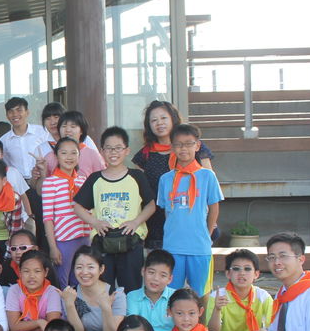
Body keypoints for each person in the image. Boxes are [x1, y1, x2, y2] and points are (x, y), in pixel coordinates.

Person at [73, 126, 155, 293]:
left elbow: (151, 205)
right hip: (103, 242)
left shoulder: (136, 176)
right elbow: (77, 206)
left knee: (132, 290)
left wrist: (135, 222)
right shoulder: (95, 179)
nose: (113, 152)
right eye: (109, 148)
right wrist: (95, 222)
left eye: (118, 148)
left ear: (127, 150)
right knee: (103, 289)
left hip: (131, 241)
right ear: (102, 151)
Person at [133, 100, 215, 249]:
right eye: (154, 120)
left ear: (173, 119)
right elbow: (141, 192)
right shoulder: (144, 154)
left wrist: (211, 220)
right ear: (148, 125)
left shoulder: (194, 146)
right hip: (157, 220)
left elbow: (209, 187)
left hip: (194, 218)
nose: (159, 123)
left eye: (164, 118)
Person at [157, 123, 222, 294]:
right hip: (173, 246)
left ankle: (201, 315)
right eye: (178, 144)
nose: (183, 148)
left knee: (201, 294)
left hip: (199, 247)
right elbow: (167, 211)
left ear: (197, 146)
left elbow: (214, 208)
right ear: (172, 147)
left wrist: (207, 234)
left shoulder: (207, 176)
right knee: (171, 294)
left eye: (188, 144)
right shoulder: (166, 179)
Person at [206, 249, 274, 331]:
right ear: (228, 274)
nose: (242, 273)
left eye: (247, 269)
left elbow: (274, 327)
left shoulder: (263, 296)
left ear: (256, 274)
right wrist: (217, 309)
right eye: (236, 269)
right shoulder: (218, 296)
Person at [6, 251, 63, 331]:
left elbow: (51, 328)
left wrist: (26, 326)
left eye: (37, 271)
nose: (31, 276)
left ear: (45, 272)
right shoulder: (14, 290)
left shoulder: (52, 292)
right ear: (19, 272)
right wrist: (39, 322)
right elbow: (14, 326)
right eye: (26, 271)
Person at [0, 97, 50, 246]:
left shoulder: (42, 132)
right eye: (11, 111)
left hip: (41, 183)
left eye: (19, 110)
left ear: (27, 112)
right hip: (19, 188)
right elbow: (6, 165)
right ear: (7, 115)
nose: (15, 114)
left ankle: (44, 254)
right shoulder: (4, 140)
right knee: (24, 224)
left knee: (44, 222)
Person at [41, 137, 90, 288]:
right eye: (64, 153)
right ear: (56, 156)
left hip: (84, 237)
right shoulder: (50, 182)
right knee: (62, 281)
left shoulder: (83, 180)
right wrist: (53, 247)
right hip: (64, 240)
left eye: (73, 153)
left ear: (79, 156)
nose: (69, 157)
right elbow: (47, 218)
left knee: (82, 280)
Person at [125, 249, 176, 331]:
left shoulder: (176, 297)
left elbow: (182, 328)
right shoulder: (132, 296)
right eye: (151, 272)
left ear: (170, 279)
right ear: (143, 271)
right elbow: (133, 327)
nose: (156, 278)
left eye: (163, 275)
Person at [40, 111, 105, 179]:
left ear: (81, 131)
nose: (68, 130)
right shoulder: (50, 157)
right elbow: (41, 183)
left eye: (73, 126)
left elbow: (103, 179)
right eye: (64, 126)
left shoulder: (92, 155)